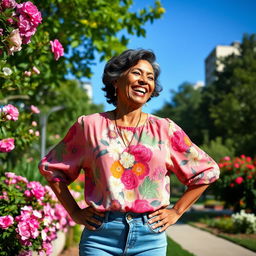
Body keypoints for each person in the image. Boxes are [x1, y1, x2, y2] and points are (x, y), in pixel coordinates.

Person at [38, 49, 220, 256]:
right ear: (116, 81)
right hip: (100, 237)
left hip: (150, 237)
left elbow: (207, 171)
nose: (144, 80)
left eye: (150, 77)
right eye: (137, 73)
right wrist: (74, 212)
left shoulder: (165, 129)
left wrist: (177, 211)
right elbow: (51, 168)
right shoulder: (89, 126)